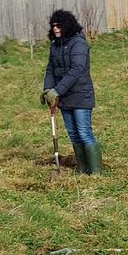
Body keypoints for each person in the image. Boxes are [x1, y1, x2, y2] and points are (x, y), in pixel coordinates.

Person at [42, 9, 101, 174]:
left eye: (58, 25)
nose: (55, 28)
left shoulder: (78, 43)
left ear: (67, 26)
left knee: (84, 132)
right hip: (65, 98)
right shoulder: (55, 46)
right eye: (53, 26)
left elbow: (77, 69)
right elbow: (50, 70)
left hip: (81, 95)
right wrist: (48, 90)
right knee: (73, 135)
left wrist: (57, 91)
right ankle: (83, 169)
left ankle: (96, 172)